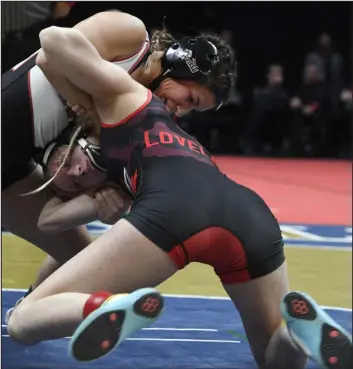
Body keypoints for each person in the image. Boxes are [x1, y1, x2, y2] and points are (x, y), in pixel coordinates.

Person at [7, 25, 352, 369]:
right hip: (252, 215)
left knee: (22, 322)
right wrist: (98, 205)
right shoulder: (169, 131)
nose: (181, 111)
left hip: (178, 210)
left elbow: (52, 39)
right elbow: (50, 221)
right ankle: (296, 332)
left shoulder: (128, 95)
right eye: (190, 101)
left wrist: (91, 108)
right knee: (273, 360)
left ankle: (101, 306)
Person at [2, 10, 233, 312]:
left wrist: (102, 206)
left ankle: (26, 312)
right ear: (180, 68)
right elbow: (50, 48)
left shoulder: (140, 116)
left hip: (15, 166)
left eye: (193, 110)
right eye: (190, 99)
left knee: (85, 262)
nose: (181, 111)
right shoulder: (130, 38)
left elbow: (51, 219)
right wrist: (91, 111)